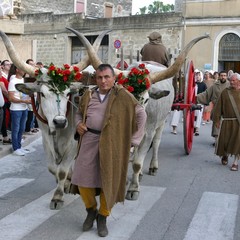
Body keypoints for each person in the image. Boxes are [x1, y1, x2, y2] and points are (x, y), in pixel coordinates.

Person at [71, 64, 147, 237]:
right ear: (96, 79)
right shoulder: (89, 95)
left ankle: (103, 216)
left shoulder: (124, 96)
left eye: (107, 77)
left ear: (114, 78)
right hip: (89, 139)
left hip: (112, 143)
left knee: (109, 181)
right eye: (100, 77)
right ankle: (91, 210)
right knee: (81, 179)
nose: (103, 81)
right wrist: (78, 124)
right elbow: (78, 113)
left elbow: (142, 115)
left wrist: (133, 141)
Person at [197, 70, 230, 163]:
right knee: (216, 124)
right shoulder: (215, 86)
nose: (223, 77)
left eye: (225, 75)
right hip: (216, 108)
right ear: (219, 76)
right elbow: (206, 94)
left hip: (227, 110)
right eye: (222, 75)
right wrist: (195, 98)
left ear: (227, 76)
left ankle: (225, 146)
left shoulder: (230, 86)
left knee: (226, 128)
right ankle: (217, 141)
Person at [212, 73, 240, 171]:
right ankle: (225, 154)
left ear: (238, 81)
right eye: (231, 80)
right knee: (225, 141)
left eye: (234, 80)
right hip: (227, 122)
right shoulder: (225, 92)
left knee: (238, 142)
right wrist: (217, 119)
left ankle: (235, 162)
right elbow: (218, 106)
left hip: (238, 123)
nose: (231, 82)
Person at [8, 64, 32, 156]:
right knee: (16, 129)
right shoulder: (13, 81)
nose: (24, 70)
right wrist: (24, 100)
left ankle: (19, 146)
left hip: (24, 107)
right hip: (16, 109)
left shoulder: (23, 80)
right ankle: (15, 148)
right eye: (22, 68)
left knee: (22, 128)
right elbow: (10, 98)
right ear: (17, 69)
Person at [194, 70, 207, 136]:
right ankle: (193, 126)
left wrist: (206, 104)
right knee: (193, 115)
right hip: (193, 101)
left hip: (200, 102)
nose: (197, 76)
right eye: (196, 75)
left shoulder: (203, 84)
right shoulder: (193, 84)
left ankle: (197, 129)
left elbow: (206, 94)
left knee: (199, 116)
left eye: (199, 75)